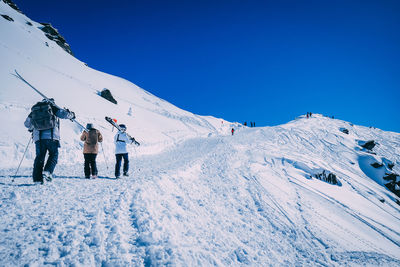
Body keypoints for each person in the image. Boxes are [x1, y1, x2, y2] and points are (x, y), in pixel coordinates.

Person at [24, 99, 75, 184]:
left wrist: (34, 126)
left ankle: (37, 180)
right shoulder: (52, 107)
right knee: (53, 155)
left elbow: (27, 124)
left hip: (39, 139)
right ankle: (47, 171)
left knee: (39, 158)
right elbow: (64, 114)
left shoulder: (35, 110)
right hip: (52, 137)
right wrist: (72, 115)